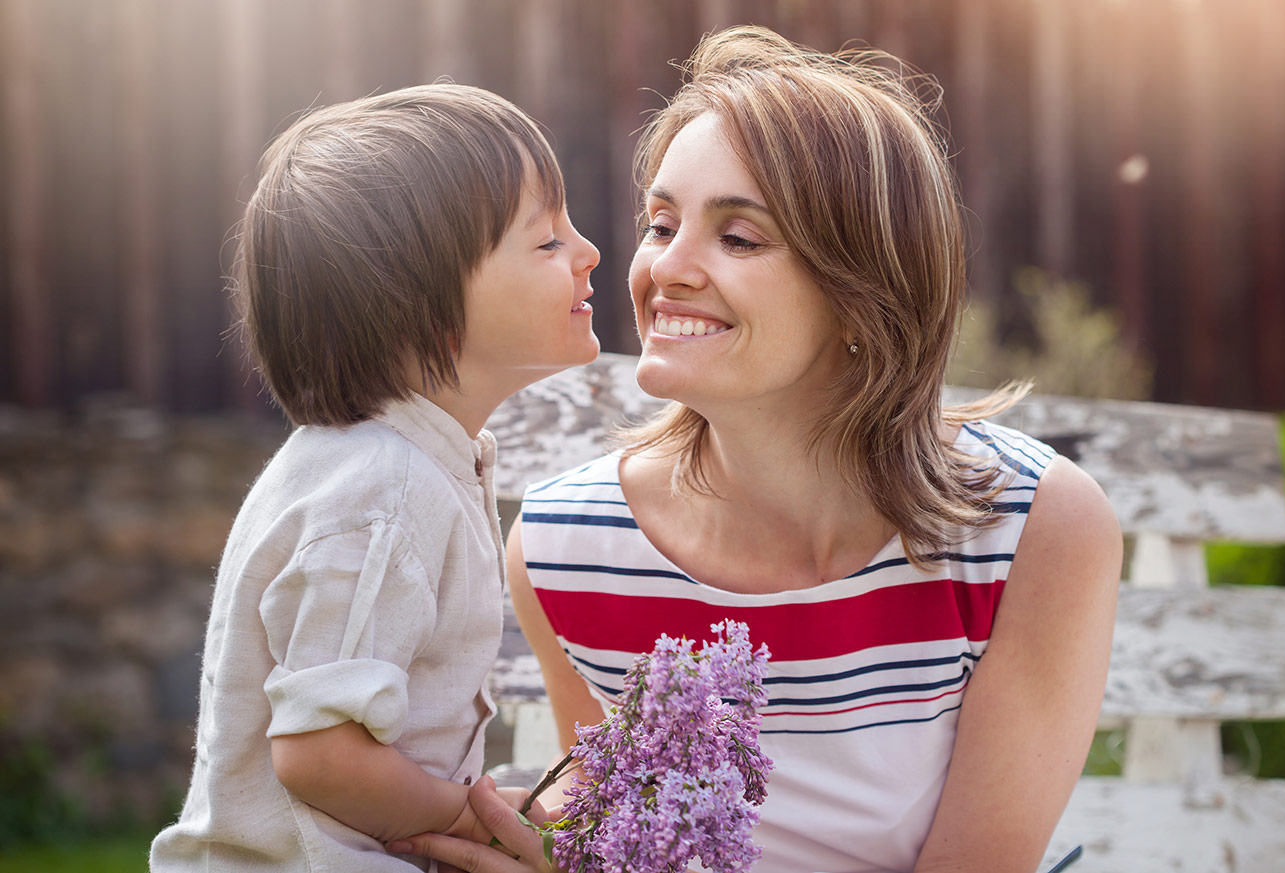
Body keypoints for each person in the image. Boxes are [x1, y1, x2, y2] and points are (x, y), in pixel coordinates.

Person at [394, 26, 1120, 873]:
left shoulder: (1029, 528)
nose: (668, 267)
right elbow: (619, 844)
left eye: (738, 238)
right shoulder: (567, 548)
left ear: (864, 294)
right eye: (662, 224)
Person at [149, 83, 599, 872]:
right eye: (547, 241)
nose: (587, 251)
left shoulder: (401, 463)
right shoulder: (384, 493)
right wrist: (472, 815)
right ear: (427, 309)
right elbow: (320, 754)